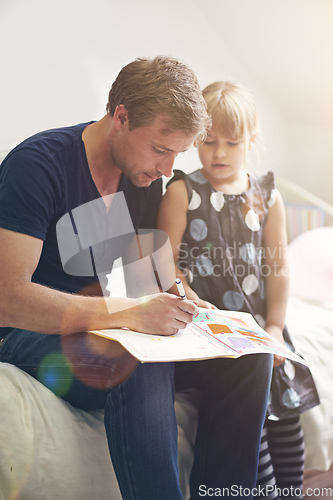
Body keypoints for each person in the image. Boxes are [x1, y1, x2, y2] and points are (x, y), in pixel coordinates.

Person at [0, 58, 272, 500]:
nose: (168, 171)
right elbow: (8, 299)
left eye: (177, 155)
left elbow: (145, 271)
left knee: (248, 359)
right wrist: (130, 315)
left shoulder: (142, 179)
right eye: (161, 150)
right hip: (31, 334)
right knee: (136, 358)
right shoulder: (37, 165)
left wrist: (183, 300)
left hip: (107, 325)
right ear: (121, 117)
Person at [157, 80, 320, 499]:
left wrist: (277, 326)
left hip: (259, 327)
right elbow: (164, 261)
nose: (219, 153)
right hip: (208, 327)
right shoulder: (182, 191)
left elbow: (278, 267)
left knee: (286, 413)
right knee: (251, 422)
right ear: (196, 139)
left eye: (232, 143)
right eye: (208, 142)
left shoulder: (267, 196)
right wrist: (190, 298)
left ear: (252, 141)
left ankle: (292, 490)